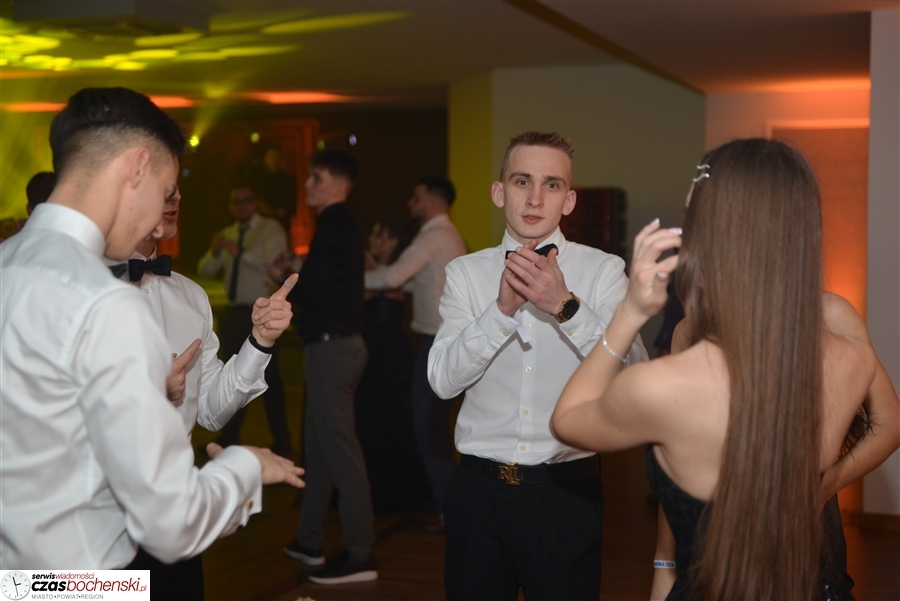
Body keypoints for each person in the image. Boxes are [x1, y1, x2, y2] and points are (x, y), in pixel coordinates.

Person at [551, 138, 900, 601]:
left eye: (690, 215)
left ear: (711, 234)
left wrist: (629, 313)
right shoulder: (853, 358)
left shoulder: (659, 386)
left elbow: (567, 420)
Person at [0, 87, 304, 571]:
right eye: (166, 190)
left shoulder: (8, 263)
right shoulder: (106, 304)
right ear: (138, 168)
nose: (162, 220)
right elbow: (172, 524)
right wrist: (246, 467)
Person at [428, 131, 647, 600]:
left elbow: (635, 377)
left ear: (568, 201)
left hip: (566, 494)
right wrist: (499, 313)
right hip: (479, 493)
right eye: (522, 181)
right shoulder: (465, 274)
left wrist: (566, 307)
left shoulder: (603, 272)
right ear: (499, 192)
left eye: (551, 185)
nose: (534, 198)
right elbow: (442, 382)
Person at [108, 188, 299, 599]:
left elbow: (211, 410)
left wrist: (261, 341)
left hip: (175, 517)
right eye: (162, 185)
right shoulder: (75, 289)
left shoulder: (190, 295)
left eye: (177, 187)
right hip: (98, 517)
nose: (176, 195)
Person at [283, 149, 377, 584]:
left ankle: (361, 553)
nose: (307, 185)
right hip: (335, 348)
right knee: (321, 450)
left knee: (341, 454)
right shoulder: (342, 226)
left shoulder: (334, 226)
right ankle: (309, 540)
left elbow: (314, 290)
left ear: (339, 184)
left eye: (316, 178)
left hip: (333, 351)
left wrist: (287, 285)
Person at [364, 176, 467, 530]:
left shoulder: (433, 237)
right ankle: (449, 503)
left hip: (438, 340)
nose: (411, 203)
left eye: (416, 197)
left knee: (427, 424)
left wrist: (345, 281)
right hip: (443, 338)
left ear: (432, 203)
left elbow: (394, 276)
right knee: (434, 424)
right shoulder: (447, 235)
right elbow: (410, 282)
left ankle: (446, 507)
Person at [198, 184, 292, 456]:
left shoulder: (271, 229)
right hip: (234, 313)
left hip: (262, 313)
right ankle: (229, 436)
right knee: (231, 371)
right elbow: (205, 270)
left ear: (256, 202)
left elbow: (275, 264)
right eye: (236, 202)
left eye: (247, 200)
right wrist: (217, 252)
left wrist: (241, 253)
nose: (242, 206)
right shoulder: (228, 233)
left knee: (270, 376)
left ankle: (282, 440)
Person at [356, 219, 430, 513]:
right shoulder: (382, 271)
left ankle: (395, 492)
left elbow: (391, 288)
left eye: (379, 235)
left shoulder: (400, 271)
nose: (373, 239)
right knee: (369, 418)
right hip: (370, 350)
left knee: (392, 417)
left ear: (392, 242)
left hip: (389, 352)